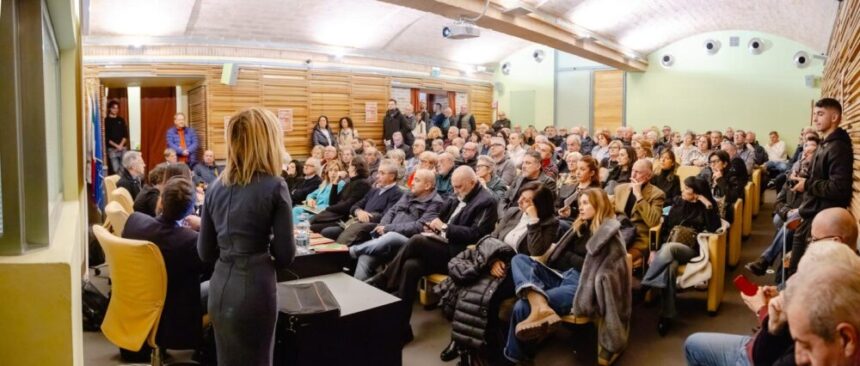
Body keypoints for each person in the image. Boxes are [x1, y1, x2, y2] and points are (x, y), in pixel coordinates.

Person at [197, 107, 295, 366]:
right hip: (255, 289)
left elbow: (204, 252)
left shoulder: (214, 187)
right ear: (269, 141)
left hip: (220, 288)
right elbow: (286, 255)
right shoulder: (275, 186)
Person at [368, 166, 498, 345]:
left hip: (460, 253)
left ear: (472, 182)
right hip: (442, 245)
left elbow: (477, 234)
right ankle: (402, 329)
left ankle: (384, 278)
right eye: (454, 186)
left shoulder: (486, 201)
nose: (455, 191)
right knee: (410, 266)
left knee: (416, 240)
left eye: (459, 187)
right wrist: (433, 227)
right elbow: (439, 218)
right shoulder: (457, 194)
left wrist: (445, 228)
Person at [437, 182, 557, 364]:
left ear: (539, 204)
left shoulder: (550, 223)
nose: (520, 202)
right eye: (521, 197)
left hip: (519, 270)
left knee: (486, 297)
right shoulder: (513, 213)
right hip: (493, 261)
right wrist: (492, 260)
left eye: (527, 201)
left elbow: (535, 251)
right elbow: (491, 239)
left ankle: (481, 349)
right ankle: (464, 343)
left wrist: (533, 220)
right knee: (465, 286)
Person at [504, 189, 629, 364]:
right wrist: (569, 258)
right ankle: (539, 304)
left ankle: (515, 358)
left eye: (586, 203)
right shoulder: (579, 226)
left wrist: (568, 257)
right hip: (562, 275)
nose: (581, 207)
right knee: (519, 259)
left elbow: (607, 271)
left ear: (599, 205)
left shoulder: (609, 235)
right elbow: (563, 258)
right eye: (580, 203)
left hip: (582, 285)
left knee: (522, 306)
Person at [123, 176, 206, 352]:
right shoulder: (192, 241)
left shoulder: (134, 221)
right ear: (191, 210)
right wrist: (202, 226)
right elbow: (210, 265)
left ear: (161, 200)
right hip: (173, 316)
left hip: (135, 306)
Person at [642, 176, 721, 335]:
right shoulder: (678, 202)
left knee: (670, 248)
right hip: (669, 246)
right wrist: (654, 250)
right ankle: (666, 315)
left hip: (690, 250)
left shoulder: (706, 207)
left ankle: (646, 283)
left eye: (687, 189)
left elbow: (714, 228)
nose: (682, 191)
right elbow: (666, 227)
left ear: (697, 193)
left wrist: (706, 204)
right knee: (670, 267)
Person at [789, 98, 853, 276]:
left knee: (802, 273)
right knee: (795, 270)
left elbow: (839, 188)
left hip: (821, 216)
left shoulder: (838, 147)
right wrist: (803, 180)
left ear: (834, 117)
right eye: (814, 114)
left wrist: (807, 184)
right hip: (811, 211)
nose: (815, 119)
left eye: (820, 114)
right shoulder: (825, 143)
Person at [349, 169, 444, 279]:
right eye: (413, 179)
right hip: (387, 236)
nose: (412, 183)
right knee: (365, 257)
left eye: (417, 180)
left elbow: (419, 226)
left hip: (409, 242)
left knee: (392, 236)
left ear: (427, 186)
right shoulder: (408, 194)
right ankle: (360, 288)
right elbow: (392, 211)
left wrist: (388, 228)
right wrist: (382, 225)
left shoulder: (436, 202)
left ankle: (351, 251)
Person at [745, 136, 819, 277]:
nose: (806, 155)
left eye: (811, 153)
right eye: (805, 152)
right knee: (785, 221)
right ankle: (770, 265)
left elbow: (813, 204)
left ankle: (766, 261)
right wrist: (787, 212)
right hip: (789, 214)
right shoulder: (793, 174)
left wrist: (797, 210)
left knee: (790, 224)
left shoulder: (815, 180)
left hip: (805, 218)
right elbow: (778, 200)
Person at [319, 160, 404, 243]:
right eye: (378, 172)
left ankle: (340, 250)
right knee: (327, 232)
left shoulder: (397, 193)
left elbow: (387, 216)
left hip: (371, 227)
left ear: (392, 176)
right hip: (355, 222)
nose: (377, 176)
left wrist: (367, 216)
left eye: (382, 173)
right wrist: (358, 211)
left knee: (335, 234)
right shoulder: (374, 190)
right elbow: (355, 206)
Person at [613, 160, 666, 263]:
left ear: (649, 176)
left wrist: (639, 196)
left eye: (638, 172)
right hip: (618, 233)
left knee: (618, 260)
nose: (633, 175)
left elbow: (653, 221)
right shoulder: (620, 189)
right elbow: (608, 211)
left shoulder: (657, 194)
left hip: (638, 238)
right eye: (633, 170)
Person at [308, 157, 373, 232]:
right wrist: (335, 183)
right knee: (312, 222)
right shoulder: (350, 182)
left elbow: (348, 205)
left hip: (345, 217)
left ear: (354, 168)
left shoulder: (362, 184)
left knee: (314, 226)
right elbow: (333, 202)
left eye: (349, 166)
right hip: (338, 214)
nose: (348, 169)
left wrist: (328, 209)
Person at [698, 150, 741, 222]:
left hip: (721, 211)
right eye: (711, 162)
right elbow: (695, 185)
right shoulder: (706, 173)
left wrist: (720, 180)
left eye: (716, 161)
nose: (712, 164)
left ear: (725, 164)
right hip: (705, 206)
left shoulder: (732, 177)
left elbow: (732, 197)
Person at [104, 100, 129, 174]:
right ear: (110, 109)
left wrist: (121, 145)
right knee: (115, 169)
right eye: (114, 108)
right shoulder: (106, 121)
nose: (116, 110)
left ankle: (122, 181)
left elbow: (125, 134)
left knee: (124, 168)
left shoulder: (121, 120)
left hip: (123, 148)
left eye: (117, 108)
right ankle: (118, 181)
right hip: (112, 149)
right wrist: (116, 146)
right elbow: (106, 137)